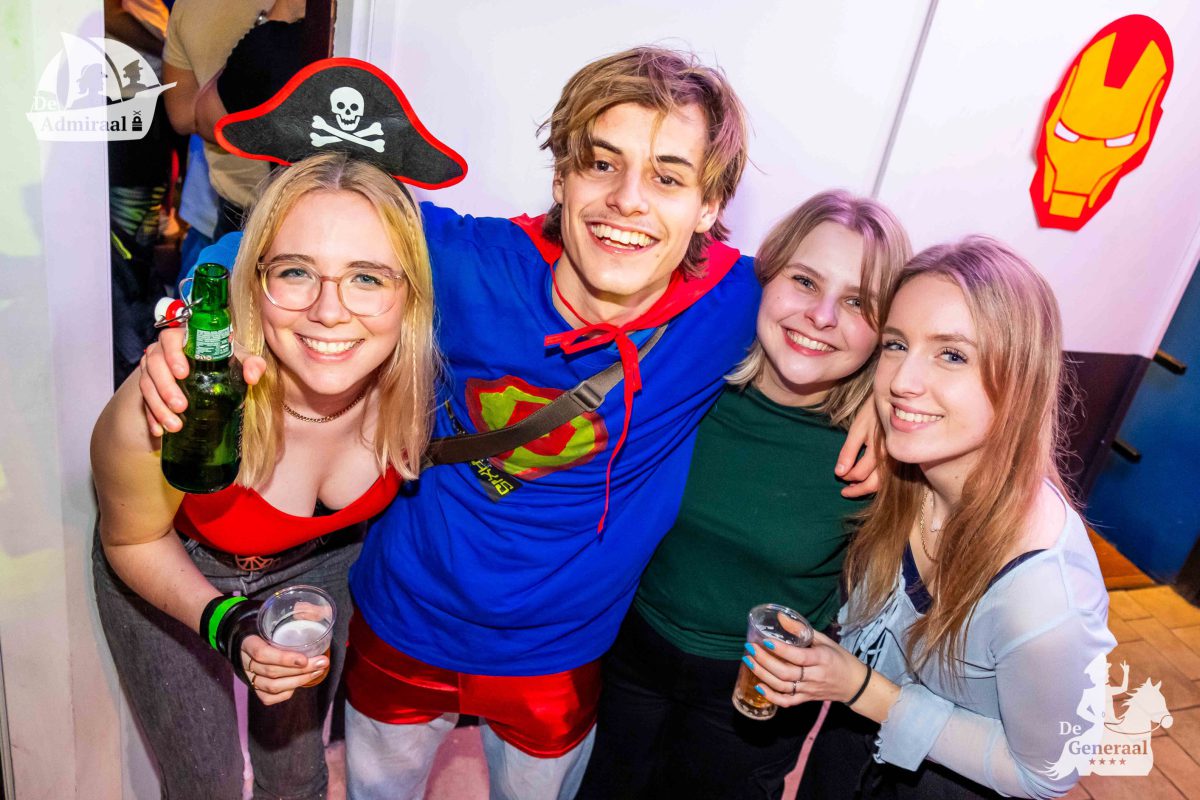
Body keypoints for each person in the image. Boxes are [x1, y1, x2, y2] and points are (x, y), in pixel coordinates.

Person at [140, 47, 879, 800]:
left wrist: (880, 405)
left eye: (667, 177)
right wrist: (188, 326)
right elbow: (273, 244)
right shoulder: (469, 261)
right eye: (601, 164)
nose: (627, 200)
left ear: (709, 207)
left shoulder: (735, 306)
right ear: (561, 179)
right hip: (406, 618)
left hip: (561, 652)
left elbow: (851, 323)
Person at [92, 151, 438, 800]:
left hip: (320, 568)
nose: (329, 311)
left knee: (299, 774)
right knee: (207, 785)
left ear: (408, 295)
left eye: (366, 277)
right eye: (296, 271)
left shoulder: (414, 384)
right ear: (254, 281)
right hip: (177, 568)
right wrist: (229, 622)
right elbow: (132, 539)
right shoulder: (176, 398)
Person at [740, 237, 1115, 799]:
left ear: (1022, 378)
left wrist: (861, 688)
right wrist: (874, 411)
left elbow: (1048, 772)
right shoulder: (906, 480)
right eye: (896, 345)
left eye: (952, 355)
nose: (901, 381)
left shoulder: (1044, 597)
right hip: (843, 759)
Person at [577, 190, 911, 799]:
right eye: (804, 281)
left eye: (857, 302)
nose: (821, 316)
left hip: (763, 684)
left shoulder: (882, 451)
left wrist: (887, 418)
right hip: (629, 647)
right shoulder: (688, 382)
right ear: (766, 277)